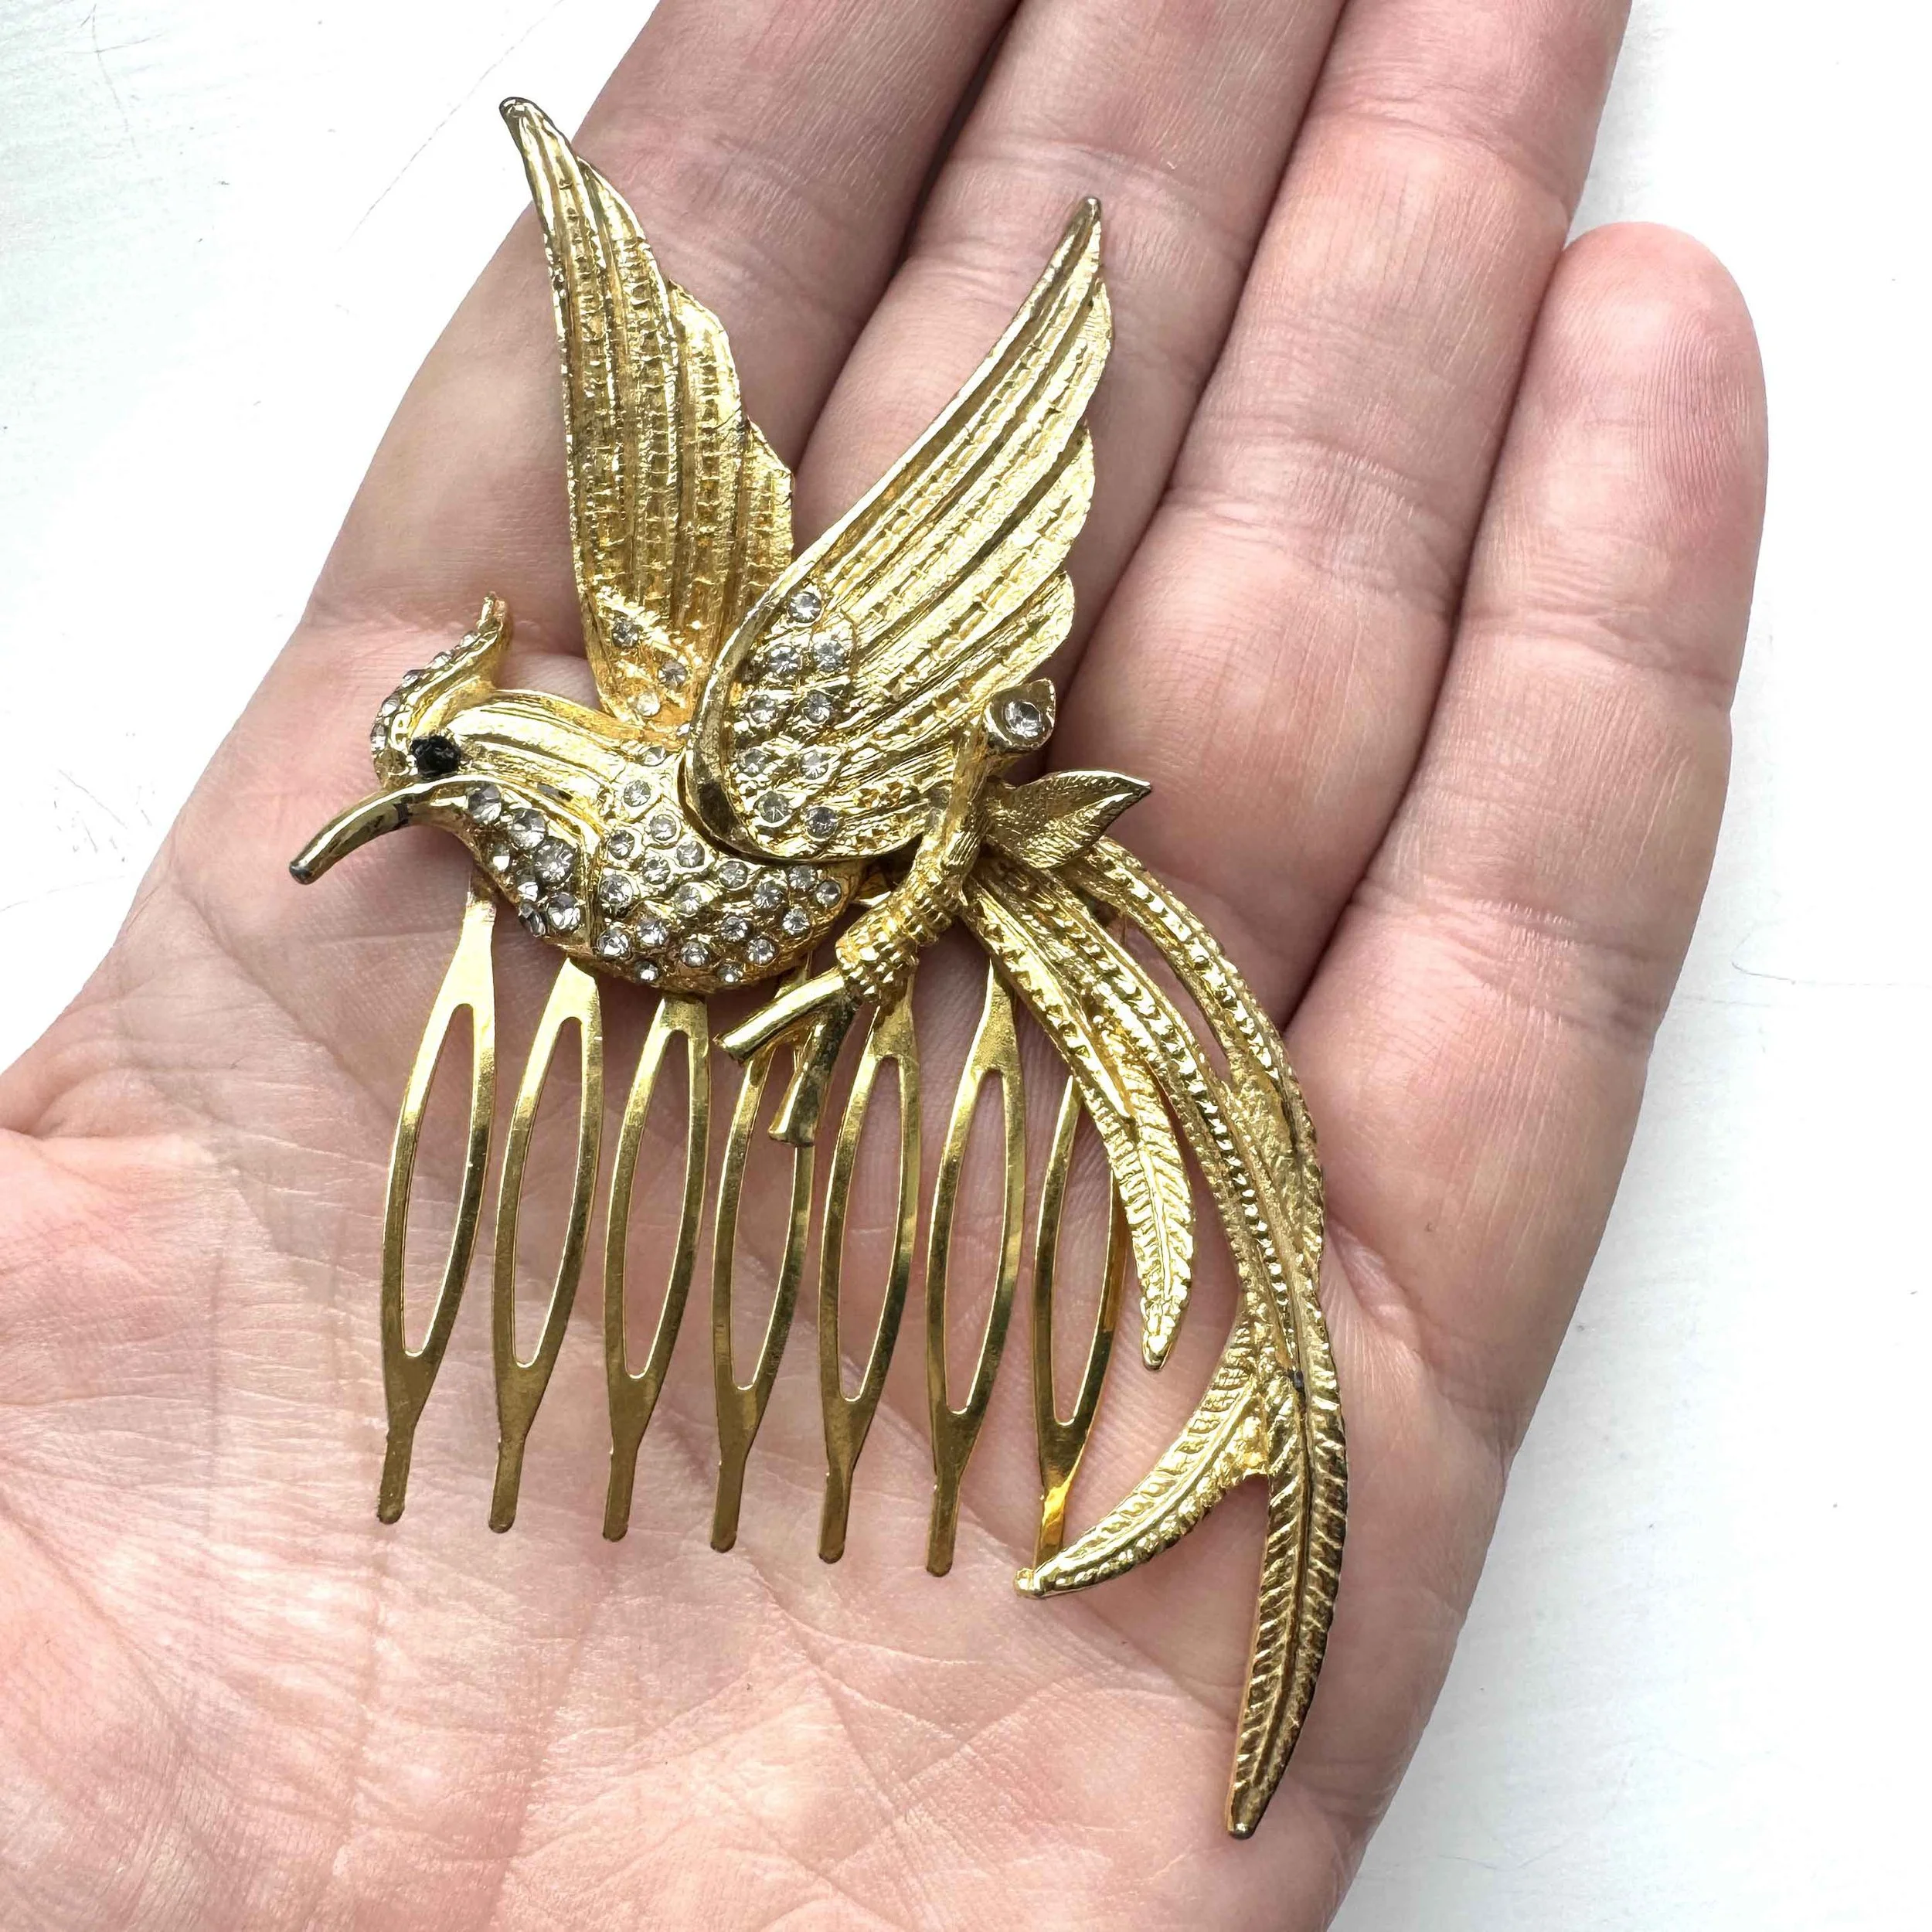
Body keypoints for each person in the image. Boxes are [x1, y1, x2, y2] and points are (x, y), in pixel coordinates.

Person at [0, 0, 1765, 1923]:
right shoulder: (557, 833)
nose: (399, 811)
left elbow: (867, 796)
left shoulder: (727, 762)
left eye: (432, 779)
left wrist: (881, 946)